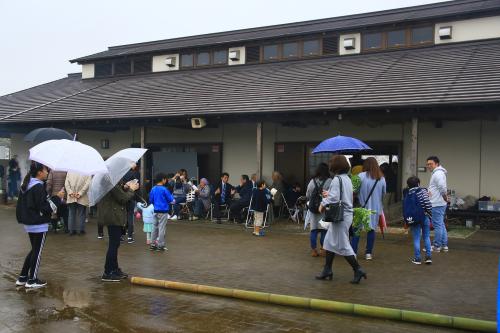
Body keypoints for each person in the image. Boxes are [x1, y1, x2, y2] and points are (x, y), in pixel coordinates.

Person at [316, 155, 366, 284]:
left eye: (331, 162)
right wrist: (330, 194)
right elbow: (341, 195)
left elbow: (333, 198)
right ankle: (327, 269)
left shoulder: (337, 179)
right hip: (345, 215)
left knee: (343, 245)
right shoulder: (347, 178)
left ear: (336, 166)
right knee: (328, 242)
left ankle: (358, 269)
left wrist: (323, 203)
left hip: (340, 217)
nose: (330, 164)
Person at [15, 161, 64, 288]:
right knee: (37, 252)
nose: (47, 172)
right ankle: (32, 280)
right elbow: (45, 208)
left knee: (34, 250)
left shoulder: (27, 184)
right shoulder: (37, 187)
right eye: (46, 170)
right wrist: (58, 198)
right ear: (39, 172)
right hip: (39, 224)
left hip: (30, 222)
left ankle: (23, 277)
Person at [98, 180, 139, 282]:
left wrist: (124, 187)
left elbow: (118, 195)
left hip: (114, 215)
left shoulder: (110, 181)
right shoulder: (109, 182)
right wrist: (131, 189)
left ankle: (114, 269)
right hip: (113, 216)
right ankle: (108, 272)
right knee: (114, 243)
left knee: (115, 243)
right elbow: (122, 198)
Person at [351, 157, 386, 260]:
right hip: (375, 208)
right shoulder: (381, 178)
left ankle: (353, 253)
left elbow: (354, 191)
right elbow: (383, 194)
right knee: (371, 230)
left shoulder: (360, 176)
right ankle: (368, 253)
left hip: (361, 207)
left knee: (356, 230)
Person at [403, 176, 433, 265]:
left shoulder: (407, 193)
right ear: (418, 183)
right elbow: (427, 204)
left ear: (408, 185)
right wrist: (430, 214)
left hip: (414, 218)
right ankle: (428, 257)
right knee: (426, 237)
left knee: (416, 238)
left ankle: (417, 258)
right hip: (424, 217)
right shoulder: (423, 191)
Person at [305, 163, 332, 257]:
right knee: (324, 230)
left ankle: (314, 251)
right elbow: (332, 195)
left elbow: (307, 195)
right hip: (324, 209)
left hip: (313, 210)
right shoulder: (330, 181)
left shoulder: (312, 181)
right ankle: (323, 249)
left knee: (314, 230)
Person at [426, 156, 449, 252]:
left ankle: (436, 246)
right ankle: (444, 245)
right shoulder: (438, 173)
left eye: (431, 164)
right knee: (441, 224)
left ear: (437, 164)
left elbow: (442, 187)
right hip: (439, 202)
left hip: (437, 203)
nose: (428, 166)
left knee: (437, 225)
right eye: (427, 164)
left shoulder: (438, 173)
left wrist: (444, 197)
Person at [149, 173, 175, 251]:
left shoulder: (153, 189)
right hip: (163, 211)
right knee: (162, 228)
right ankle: (160, 245)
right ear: (163, 179)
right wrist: (173, 200)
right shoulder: (164, 189)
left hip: (155, 210)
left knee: (154, 227)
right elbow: (171, 199)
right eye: (165, 179)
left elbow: (151, 200)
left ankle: (153, 244)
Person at [122, 164, 140, 243]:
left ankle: (121, 235)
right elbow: (137, 186)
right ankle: (130, 236)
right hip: (131, 196)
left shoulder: (121, 174)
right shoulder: (134, 174)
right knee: (130, 215)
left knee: (122, 216)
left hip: (122, 196)